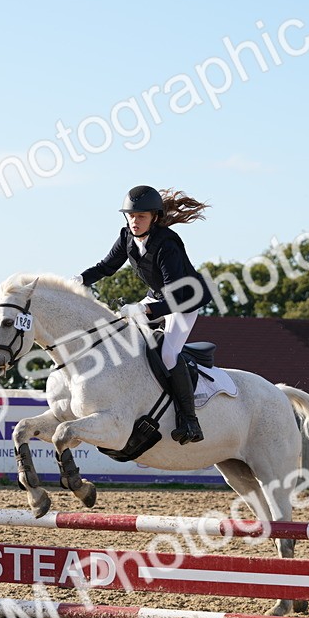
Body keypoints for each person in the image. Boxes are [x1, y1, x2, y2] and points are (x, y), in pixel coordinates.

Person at [76, 185, 212, 445]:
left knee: (169, 354)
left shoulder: (167, 244)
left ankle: (190, 421)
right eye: (131, 215)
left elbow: (175, 296)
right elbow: (106, 267)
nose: (134, 221)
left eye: (141, 216)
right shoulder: (127, 236)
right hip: (158, 295)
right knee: (119, 335)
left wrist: (146, 309)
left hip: (184, 299)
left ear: (154, 218)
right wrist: (80, 279)